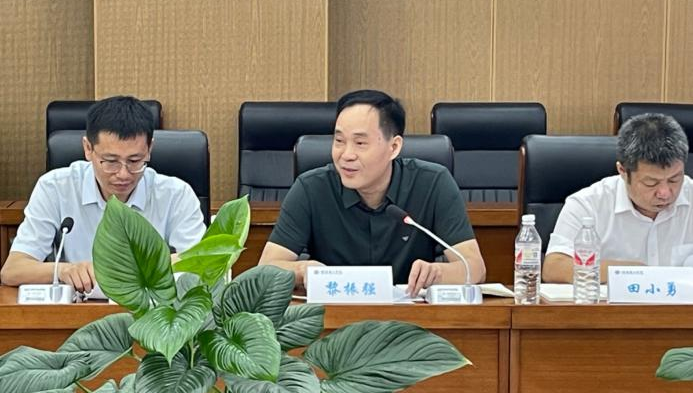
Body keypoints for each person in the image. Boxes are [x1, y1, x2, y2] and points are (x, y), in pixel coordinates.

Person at [258, 89, 486, 296]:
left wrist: (436, 273)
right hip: (333, 320)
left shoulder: (433, 183)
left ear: (394, 147)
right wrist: (302, 269)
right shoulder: (310, 188)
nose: (346, 155)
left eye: (360, 143)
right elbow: (265, 269)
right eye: (339, 141)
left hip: (411, 320)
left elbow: (475, 268)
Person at [0, 96, 205, 292]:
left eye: (135, 161)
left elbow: (204, 263)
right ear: (88, 148)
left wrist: (140, 269)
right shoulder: (55, 188)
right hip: (79, 310)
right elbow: (12, 270)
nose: (123, 174)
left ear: (150, 148)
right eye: (111, 161)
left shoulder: (176, 194)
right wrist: (64, 270)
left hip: (151, 311)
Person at [543, 113, 693, 283]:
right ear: (622, 171)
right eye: (651, 183)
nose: (665, 193)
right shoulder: (588, 204)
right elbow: (554, 268)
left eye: (674, 179)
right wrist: (631, 274)